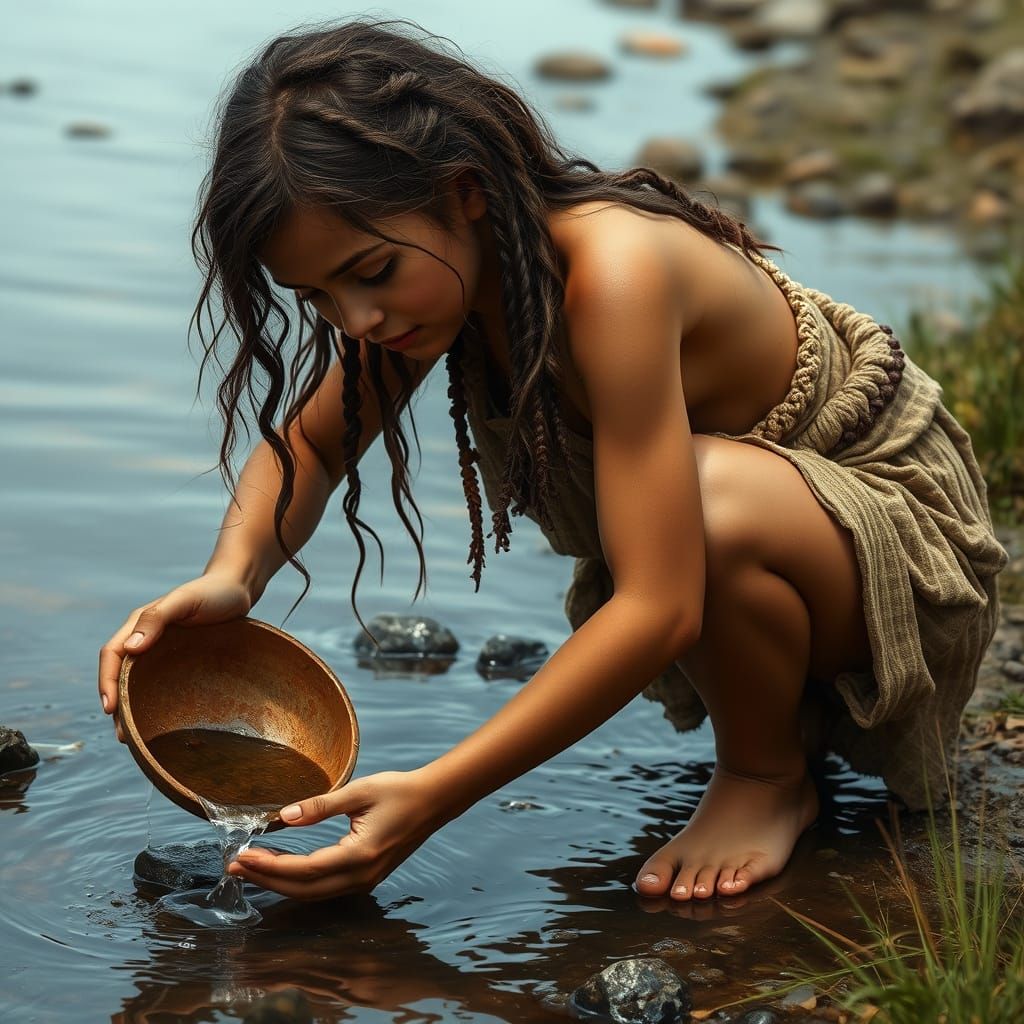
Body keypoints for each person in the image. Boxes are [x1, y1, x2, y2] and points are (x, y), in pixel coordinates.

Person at [97, 19, 1006, 904]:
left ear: (465, 193)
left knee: (707, 497)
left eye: (370, 273)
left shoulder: (613, 274)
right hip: (778, 555)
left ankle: (767, 777)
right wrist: (233, 577)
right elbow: (306, 444)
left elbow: (659, 603)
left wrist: (436, 794)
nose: (357, 320)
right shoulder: (434, 284)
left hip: (898, 548)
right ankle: (773, 733)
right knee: (704, 505)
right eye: (319, 297)